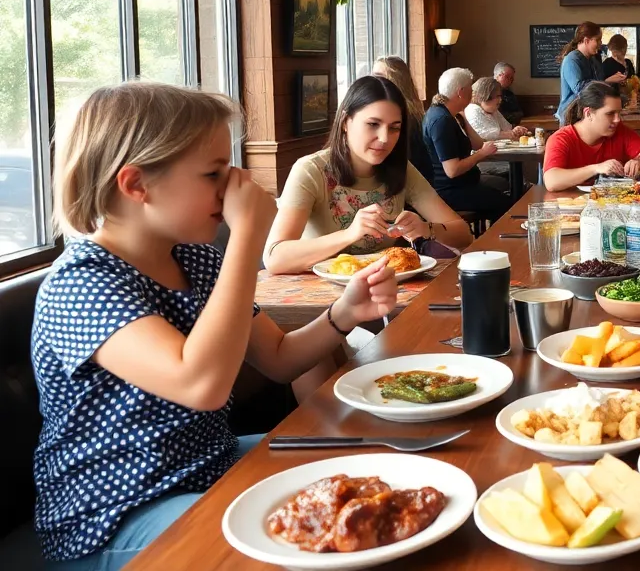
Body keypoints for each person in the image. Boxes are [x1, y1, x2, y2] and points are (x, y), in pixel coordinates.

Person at [23, 82, 399, 568]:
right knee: (298, 545)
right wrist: (245, 236)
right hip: (113, 517)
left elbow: (280, 360)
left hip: (210, 465)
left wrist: (343, 315)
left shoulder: (194, 258)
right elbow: (200, 385)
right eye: (213, 174)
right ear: (136, 185)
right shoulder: (82, 282)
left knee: (371, 480)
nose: (232, 187)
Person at [265, 75, 473, 275]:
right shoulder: (310, 170)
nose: (384, 138)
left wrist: (426, 228)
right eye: (373, 124)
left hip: (387, 292)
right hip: (324, 299)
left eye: (394, 128)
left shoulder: (401, 168)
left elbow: (463, 234)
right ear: (346, 122)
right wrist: (349, 234)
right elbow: (274, 258)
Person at [423, 67, 513, 222]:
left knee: (504, 193)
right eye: (471, 89)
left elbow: (477, 144)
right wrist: (482, 155)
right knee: (507, 205)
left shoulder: (450, 115)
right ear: (460, 92)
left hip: (465, 184)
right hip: (450, 191)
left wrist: (463, 119)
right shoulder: (441, 121)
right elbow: (452, 170)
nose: (473, 94)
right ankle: (490, 242)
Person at [543, 82, 640, 192]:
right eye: (610, 114)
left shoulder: (620, 131)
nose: (617, 120)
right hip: (570, 209)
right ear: (588, 113)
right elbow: (551, 181)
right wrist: (596, 168)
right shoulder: (560, 139)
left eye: (619, 113)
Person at [371, 55, 433, 182]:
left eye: (378, 76)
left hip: (408, 183)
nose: (373, 81)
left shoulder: (403, 114)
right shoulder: (411, 110)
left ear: (396, 80)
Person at [556, 22, 624, 124]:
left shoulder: (594, 60)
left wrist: (610, 82)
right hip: (571, 117)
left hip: (589, 115)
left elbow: (598, 85)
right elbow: (580, 89)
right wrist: (607, 81)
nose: (601, 43)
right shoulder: (571, 60)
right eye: (597, 40)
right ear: (586, 40)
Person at [465, 76, 530, 179]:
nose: (500, 100)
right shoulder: (473, 110)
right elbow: (486, 135)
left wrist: (515, 130)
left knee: (523, 166)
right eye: (497, 96)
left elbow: (507, 129)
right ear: (486, 96)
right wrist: (511, 134)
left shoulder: (492, 110)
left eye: (500, 96)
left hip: (498, 156)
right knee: (520, 167)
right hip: (484, 160)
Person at [493, 61, 525, 126]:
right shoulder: (489, 92)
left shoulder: (509, 93)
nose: (510, 81)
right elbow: (496, 115)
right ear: (498, 75)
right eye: (507, 77)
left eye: (512, 78)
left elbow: (520, 113)